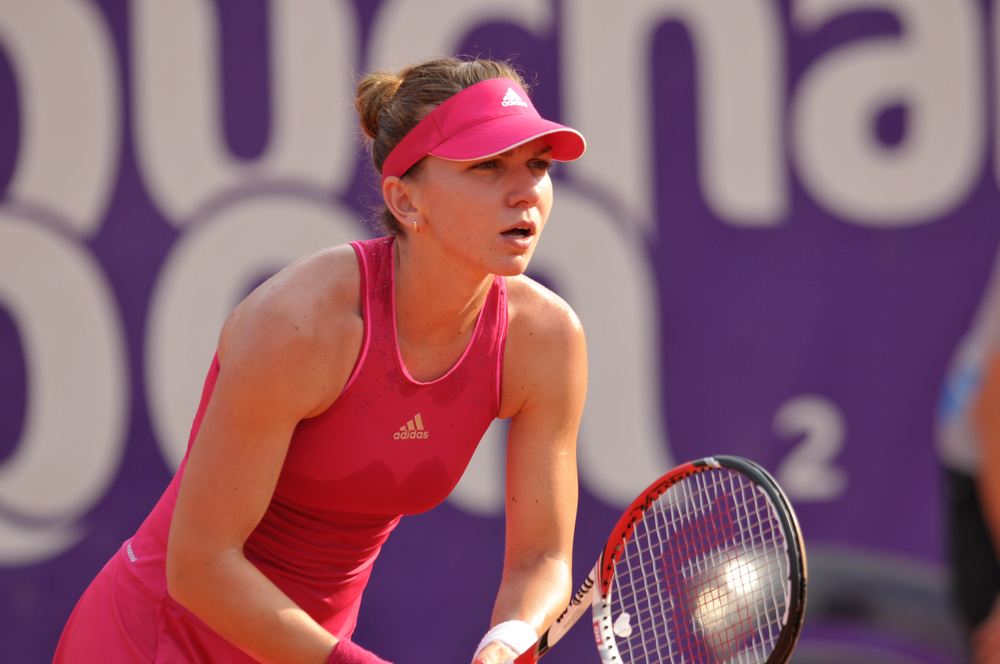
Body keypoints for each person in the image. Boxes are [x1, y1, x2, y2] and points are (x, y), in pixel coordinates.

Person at [53, 57, 588, 664]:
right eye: (487, 166)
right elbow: (200, 566)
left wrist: (505, 643)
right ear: (406, 201)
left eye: (537, 165)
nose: (525, 191)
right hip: (151, 641)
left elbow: (540, 558)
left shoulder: (546, 340)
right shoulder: (301, 324)